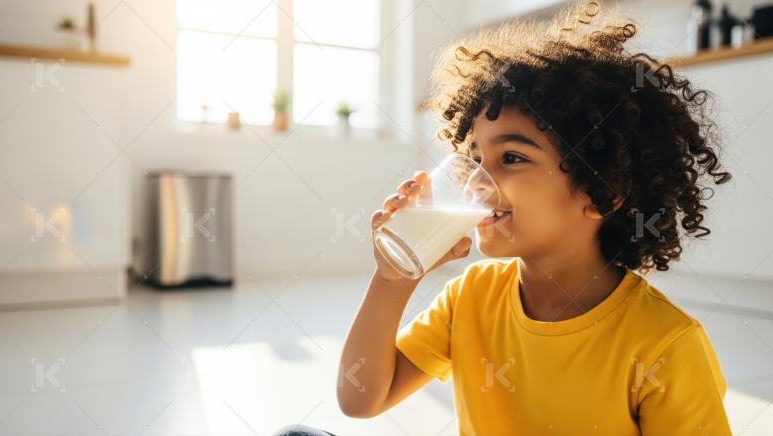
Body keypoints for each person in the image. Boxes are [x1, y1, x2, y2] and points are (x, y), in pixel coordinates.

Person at [278, 1, 733, 434]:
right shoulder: (470, 299)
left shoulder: (665, 344)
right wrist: (393, 280)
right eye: (474, 158)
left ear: (603, 191)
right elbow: (360, 400)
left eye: (511, 157)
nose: (477, 181)